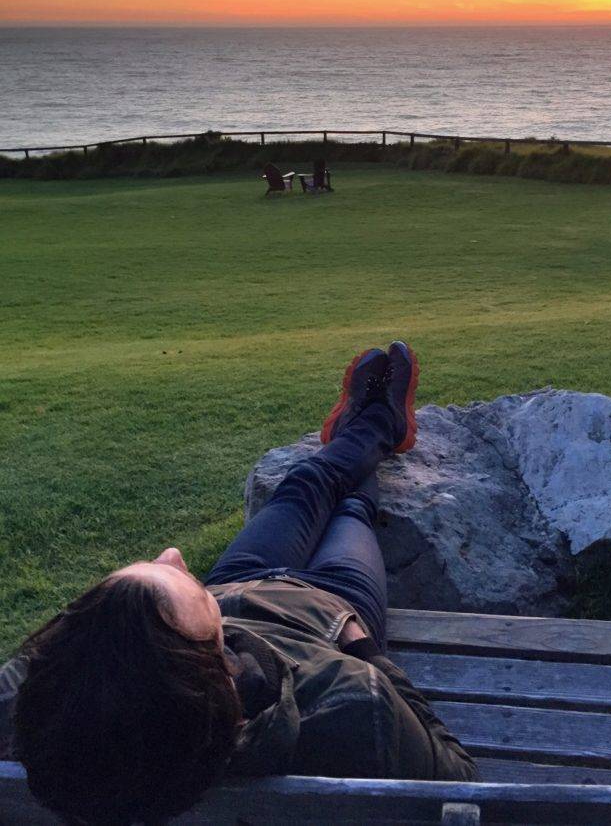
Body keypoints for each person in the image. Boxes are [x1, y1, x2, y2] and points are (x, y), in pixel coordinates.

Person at [2, 341, 478, 825]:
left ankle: (365, 425)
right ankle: (376, 423)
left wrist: (203, 600)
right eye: (193, 590)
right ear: (220, 665)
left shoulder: (30, 701)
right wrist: (365, 651)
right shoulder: (349, 702)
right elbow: (458, 779)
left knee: (305, 486)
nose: (173, 554)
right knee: (349, 506)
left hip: (241, 580)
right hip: (333, 610)